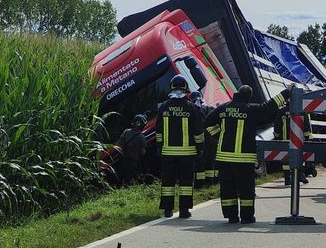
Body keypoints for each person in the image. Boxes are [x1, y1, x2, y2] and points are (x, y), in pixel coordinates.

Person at [205, 84, 289, 224]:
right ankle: (247, 217)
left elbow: (207, 122)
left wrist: (219, 137)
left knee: (227, 188)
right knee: (246, 190)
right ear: (248, 98)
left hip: (224, 158)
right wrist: (286, 93)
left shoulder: (224, 108)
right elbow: (269, 107)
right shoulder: (251, 110)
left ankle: (232, 217)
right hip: (244, 159)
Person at [155, 75, 204, 219]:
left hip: (168, 153)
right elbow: (198, 130)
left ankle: (167, 210)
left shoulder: (164, 106)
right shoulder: (191, 107)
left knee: (167, 182)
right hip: (187, 153)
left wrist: (160, 146)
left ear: (171, 86)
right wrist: (200, 147)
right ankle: (184, 210)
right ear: (185, 87)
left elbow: (158, 130)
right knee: (186, 182)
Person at [273, 102, 312, 186]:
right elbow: (306, 125)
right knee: (299, 157)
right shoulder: (301, 111)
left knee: (285, 159)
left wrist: (277, 137)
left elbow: (277, 125)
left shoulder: (281, 111)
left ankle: (287, 178)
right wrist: (307, 137)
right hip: (298, 139)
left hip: (285, 139)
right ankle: (300, 175)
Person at [117, 114, 147, 184]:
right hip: (134, 162)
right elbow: (143, 152)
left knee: (125, 178)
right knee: (133, 179)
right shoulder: (141, 137)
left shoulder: (126, 132)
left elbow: (120, 145)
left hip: (124, 160)